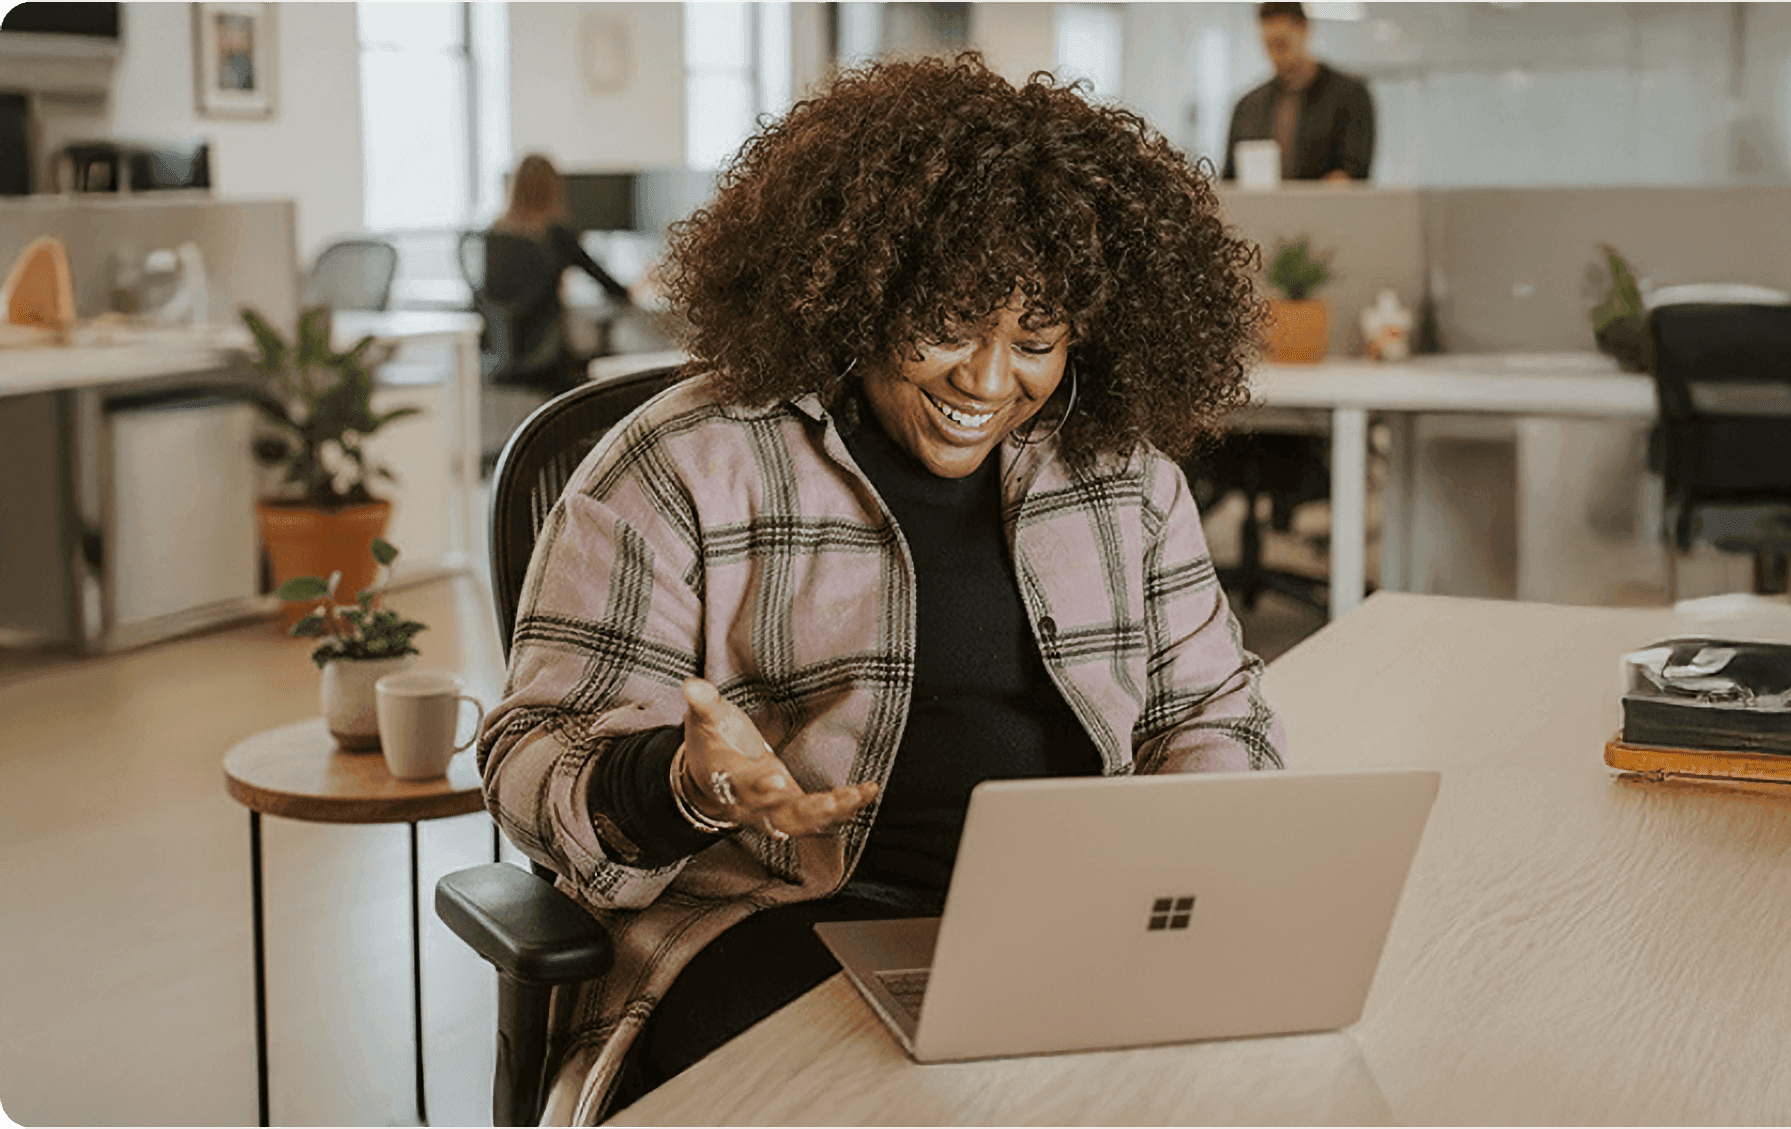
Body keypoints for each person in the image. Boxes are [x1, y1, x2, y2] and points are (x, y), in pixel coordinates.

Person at [477, 53, 1287, 1124]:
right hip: (775, 922)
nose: (990, 382)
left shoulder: (1121, 476)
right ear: (862, 285)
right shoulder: (682, 464)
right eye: (949, 325)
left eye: (1035, 340)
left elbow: (1214, 713)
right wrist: (679, 783)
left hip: (1056, 929)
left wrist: (1176, 865)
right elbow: (532, 748)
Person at [483, 153, 632, 391]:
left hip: (501, 358)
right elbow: (610, 286)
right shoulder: (556, 236)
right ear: (554, 190)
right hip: (547, 361)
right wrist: (636, 290)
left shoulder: (492, 236)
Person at [1222, 2, 1376, 183]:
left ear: (1305, 30)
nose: (1275, 55)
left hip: (1325, 210)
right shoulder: (1248, 106)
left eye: (1282, 44)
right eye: (1268, 45)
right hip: (1259, 209)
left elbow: (1354, 172)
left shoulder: (1350, 95)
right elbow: (1230, 177)